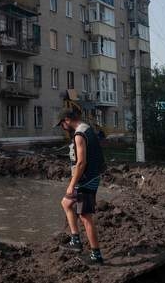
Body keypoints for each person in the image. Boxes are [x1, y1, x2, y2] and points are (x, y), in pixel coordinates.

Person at [56, 108, 105, 265]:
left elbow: (81, 162)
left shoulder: (79, 134)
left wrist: (72, 184)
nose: (62, 128)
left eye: (62, 124)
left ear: (67, 120)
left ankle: (96, 255)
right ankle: (75, 241)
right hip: (88, 177)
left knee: (85, 216)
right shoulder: (85, 128)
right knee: (66, 203)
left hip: (86, 180)